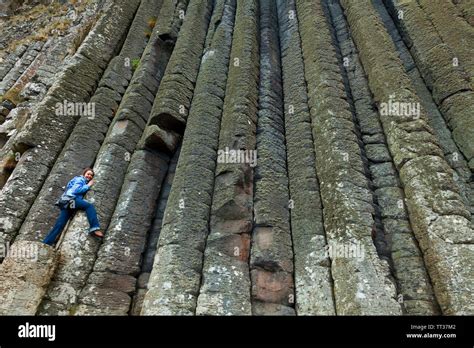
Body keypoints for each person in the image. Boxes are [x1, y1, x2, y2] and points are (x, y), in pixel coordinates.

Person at [43, 168, 104, 245]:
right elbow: (76, 190)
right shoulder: (80, 179)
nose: (89, 176)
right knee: (89, 206)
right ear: (84, 173)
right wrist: (88, 185)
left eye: (91, 175)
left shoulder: (78, 180)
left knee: (60, 224)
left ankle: (46, 243)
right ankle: (95, 228)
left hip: (66, 202)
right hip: (70, 199)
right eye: (88, 174)